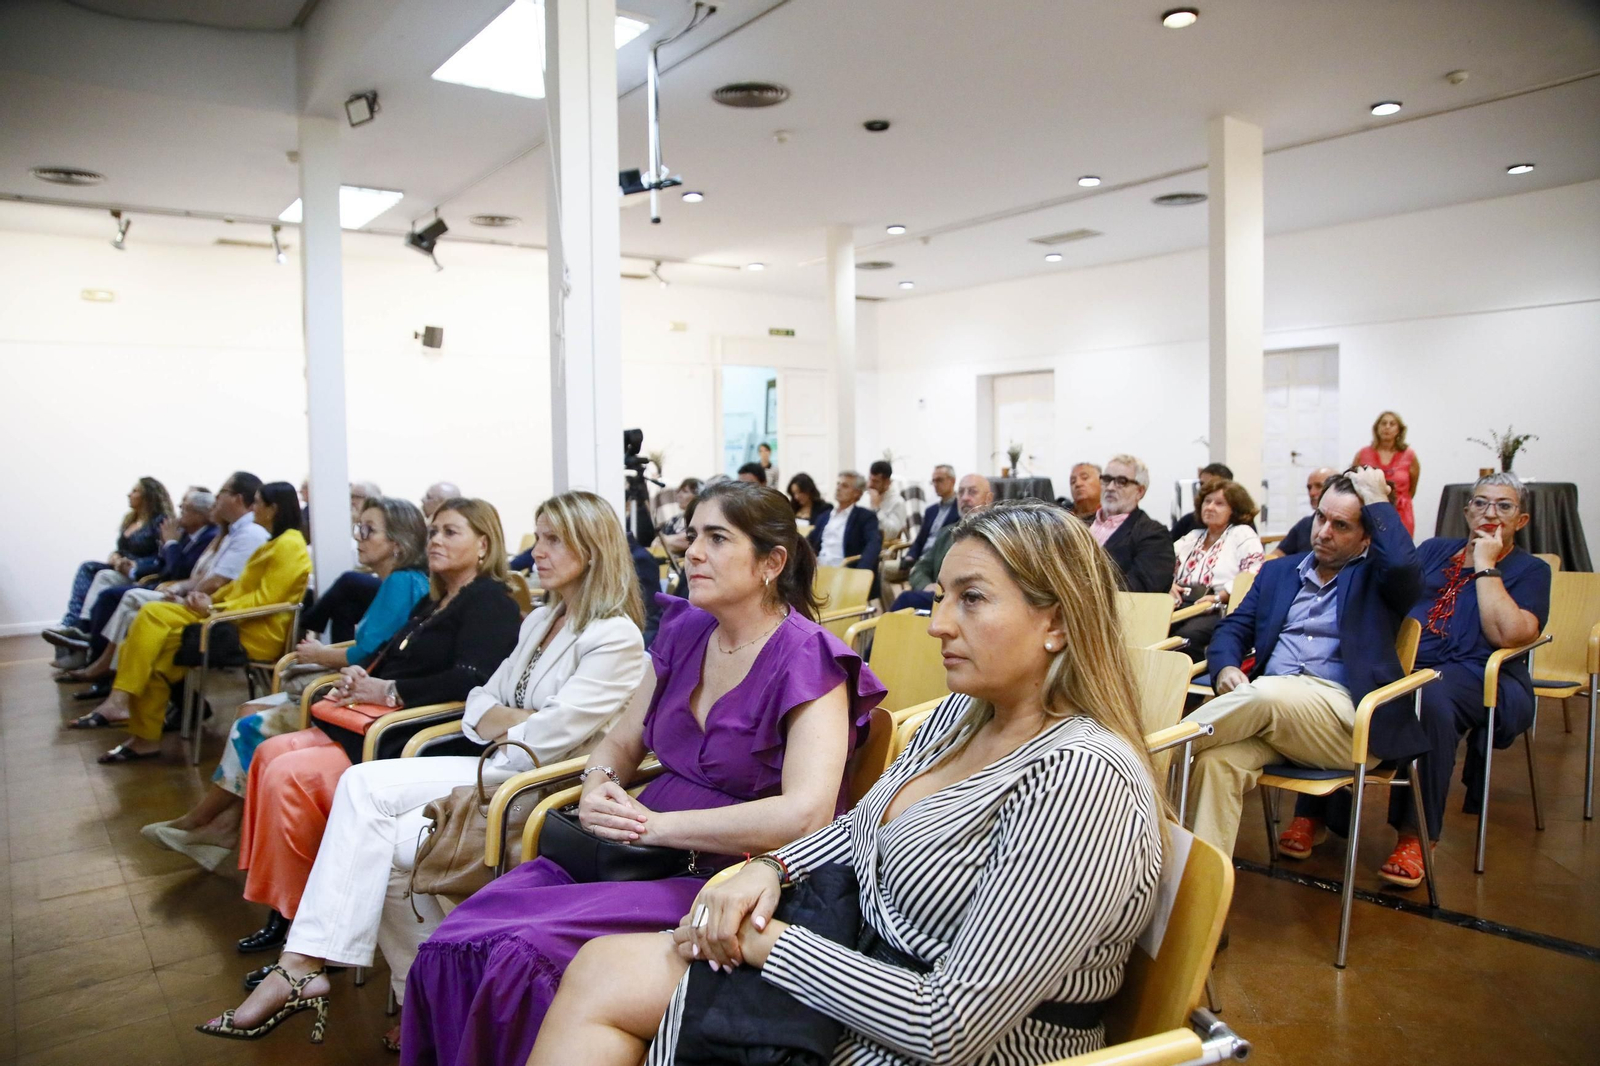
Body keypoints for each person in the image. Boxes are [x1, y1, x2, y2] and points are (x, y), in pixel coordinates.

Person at [534, 499, 1165, 1066]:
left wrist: (767, 941)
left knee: (606, 979)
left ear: (1056, 622)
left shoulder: (1082, 774)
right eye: (941, 596)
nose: (938, 623)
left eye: (971, 599)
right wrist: (772, 869)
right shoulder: (963, 716)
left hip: (938, 1041)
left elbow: (946, 1025)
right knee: (597, 970)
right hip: (860, 969)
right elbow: (865, 827)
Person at [401, 480, 885, 1066]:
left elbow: (805, 814)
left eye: (716, 538)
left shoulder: (811, 661)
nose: (692, 552)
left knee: (520, 954)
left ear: (771, 563)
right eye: (692, 534)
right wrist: (600, 782)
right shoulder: (686, 632)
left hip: (728, 876)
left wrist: (656, 826)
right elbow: (621, 740)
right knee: (460, 935)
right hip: (629, 854)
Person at [195, 491, 648, 1049]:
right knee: (369, 812)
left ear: (594, 550)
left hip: (541, 787)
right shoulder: (542, 619)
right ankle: (404, 993)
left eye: (553, 540)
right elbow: (480, 701)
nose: (537, 553)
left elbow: (550, 735)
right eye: (540, 536)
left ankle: (321, 975)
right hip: (496, 763)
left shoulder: (615, 637)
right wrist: (512, 718)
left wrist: (508, 718)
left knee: (374, 819)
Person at [225, 499, 522, 957]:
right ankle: (289, 911)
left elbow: (470, 679)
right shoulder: (436, 598)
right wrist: (360, 677)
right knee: (269, 754)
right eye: (433, 532)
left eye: (450, 532)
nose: (435, 541)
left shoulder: (489, 600)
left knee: (289, 775)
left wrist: (387, 690)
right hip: (373, 723)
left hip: (410, 736)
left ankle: (300, 926)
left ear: (484, 544)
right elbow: (384, 650)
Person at [1278, 473, 1549, 888]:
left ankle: (1416, 836)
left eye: (1503, 506)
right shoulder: (1436, 550)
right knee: (1339, 679)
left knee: (1429, 698)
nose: (1489, 513)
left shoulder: (1531, 570)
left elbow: (1510, 635)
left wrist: (1485, 565)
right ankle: (1315, 811)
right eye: (1479, 503)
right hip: (1406, 658)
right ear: (1465, 511)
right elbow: (1391, 586)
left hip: (1475, 672)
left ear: (1522, 519)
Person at [141, 497, 432, 867]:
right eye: (359, 528)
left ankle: (205, 821)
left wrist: (315, 654)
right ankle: (223, 825)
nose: (358, 538)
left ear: (397, 543)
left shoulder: (402, 583)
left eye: (367, 530)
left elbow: (366, 654)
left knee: (250, 722)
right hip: (360, 686)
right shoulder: (400, 581)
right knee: (249, 712)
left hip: (365, 697)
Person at [1180, 468, 1421, 856]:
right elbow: (1232, 629)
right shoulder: (1279, 572)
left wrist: (1377, 498)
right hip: (1274, 720)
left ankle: (1148, 757)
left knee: (1267, 693)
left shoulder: (1380, 579)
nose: (1324, 531)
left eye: (1341, 525)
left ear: (1366, 536)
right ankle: (1197, 892)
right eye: (1321, 517)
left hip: (1345, 724)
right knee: (1215, 763)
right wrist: (1225, 667)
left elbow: (1405, 568)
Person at [77, 482, 312, 763]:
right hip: (228, 620)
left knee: (152, 614)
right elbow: (240, 589)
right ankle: (144, 738)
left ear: (273, 509)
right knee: (157, 656)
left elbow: (265, 600)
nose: (253, 508)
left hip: (249, 632)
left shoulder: (289, 545)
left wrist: (212, 606)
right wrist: (204, 598)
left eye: (258, 503)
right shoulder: (276, 542)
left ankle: (121, 697)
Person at [63, 474, 270, 682]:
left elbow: (214, 581)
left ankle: (112, 674)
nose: (216, 498)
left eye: (222, 493)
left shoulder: (248, 534)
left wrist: (181, 586)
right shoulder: (230, 533)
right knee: (123, 600)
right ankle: (113, 675)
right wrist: (178, 587)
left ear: (238, 499)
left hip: (210, 608)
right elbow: (197, 576)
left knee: (133, 604)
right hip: (197, 598)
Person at [54, 488, 219, 686]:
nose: (179, 511)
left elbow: (179, 570)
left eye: (185, 508)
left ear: (200, 515)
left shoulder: (208, 536)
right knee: (103, 579)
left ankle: (98, 663)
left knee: (114, 598)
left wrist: (170, 543)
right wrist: (131, 566)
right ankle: (86, 638)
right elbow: (160, 563)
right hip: (157, 580)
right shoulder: (183, 534)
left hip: (176, 589)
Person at [44, 476, 176, 645]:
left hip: (141, 573)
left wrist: (135, 565)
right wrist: (115, 557)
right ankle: (71, 620)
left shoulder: (160, 521)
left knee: (104, 576)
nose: (129, 494)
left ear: (148, 496)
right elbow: (121, 549)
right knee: (88, 568)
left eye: (135, 491)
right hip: (120, 566)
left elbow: (161, 556)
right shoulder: (130, 519)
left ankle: (83, 626)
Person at [1169, 480, 1265, 659]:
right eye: (1207, 501)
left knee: (1184, 638)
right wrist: (1169, 584)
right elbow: (1163, 562)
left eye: (1219, 503)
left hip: (1220, 608)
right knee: (1151, 629)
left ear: (1234, 509)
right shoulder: (1193, 536)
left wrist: (1219, 596)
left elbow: (1254, 572)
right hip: (1182, 604)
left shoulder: (1242, 534)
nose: (1210, 507)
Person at [891, 473, 993, 612]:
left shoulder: (997, 536)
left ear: (988, 499)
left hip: (977, 602)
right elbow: (920, 568)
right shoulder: (946, 533)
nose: (964, 498)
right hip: (941, 598)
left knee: (906, 599)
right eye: (961, 492)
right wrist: (926, 586)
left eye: (972, 492)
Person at [1090, 455, 1176, 594]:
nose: (1110, 487)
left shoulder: (1153, 535)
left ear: (1140, 491)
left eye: (1121, 481)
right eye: (1106, 480)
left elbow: (1139, 590)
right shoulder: (1079, 524)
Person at [1353, 410, 1420, 536]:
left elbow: (1412, 490)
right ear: (1377, 428)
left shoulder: (1409, 455)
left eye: (1392, 424)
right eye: (1383, 423)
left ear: (1399, 430)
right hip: (1370, 510)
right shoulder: (1363, 454)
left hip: (1401, 513)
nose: (1387, 427)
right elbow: (1353, 482)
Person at [807, 471, 882, 579]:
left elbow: (873, 544)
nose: (838, 488)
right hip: (819, 571)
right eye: (838, 484)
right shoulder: (825, 516)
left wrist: (861, 572)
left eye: (844, 486)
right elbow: (809, 541)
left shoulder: (865, 517)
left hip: (844, 573)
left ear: (857, 493)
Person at [1271, 467, 1339, 558]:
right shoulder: (1304, 524)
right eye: (1309, 487)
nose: (1312, 493)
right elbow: (1276, 555)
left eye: (1318, 486)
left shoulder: (1346, 526)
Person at [905, 464, 958, 563]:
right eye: (933, 481)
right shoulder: (931, 511)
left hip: (941, 560)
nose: (935, 484)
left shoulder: (960, 509)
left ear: (952, 481)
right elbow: (920, 540)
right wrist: (910, 556)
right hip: (921, 559)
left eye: (939, 480)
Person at [1169, 462, 1235, 542]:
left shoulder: (1242, 526)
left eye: (1211, 485)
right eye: (1201, 484)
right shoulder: (1189, 520)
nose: (1204, 489)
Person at [865, 460, 908, 542]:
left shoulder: (898, 502)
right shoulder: (865, 497)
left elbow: (890, 534)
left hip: (881, 549)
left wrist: (877, 509)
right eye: (870, 479)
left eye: (876, 482)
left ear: (887, 482)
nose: (870, 485)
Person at [657, 478, 703, 554]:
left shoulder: (702, 518)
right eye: (678, 492)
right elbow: (658, 540)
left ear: (697, 496)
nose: (679, 495)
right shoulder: (674, 520)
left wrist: (665, 540)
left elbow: (690, 538)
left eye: (685, 492)